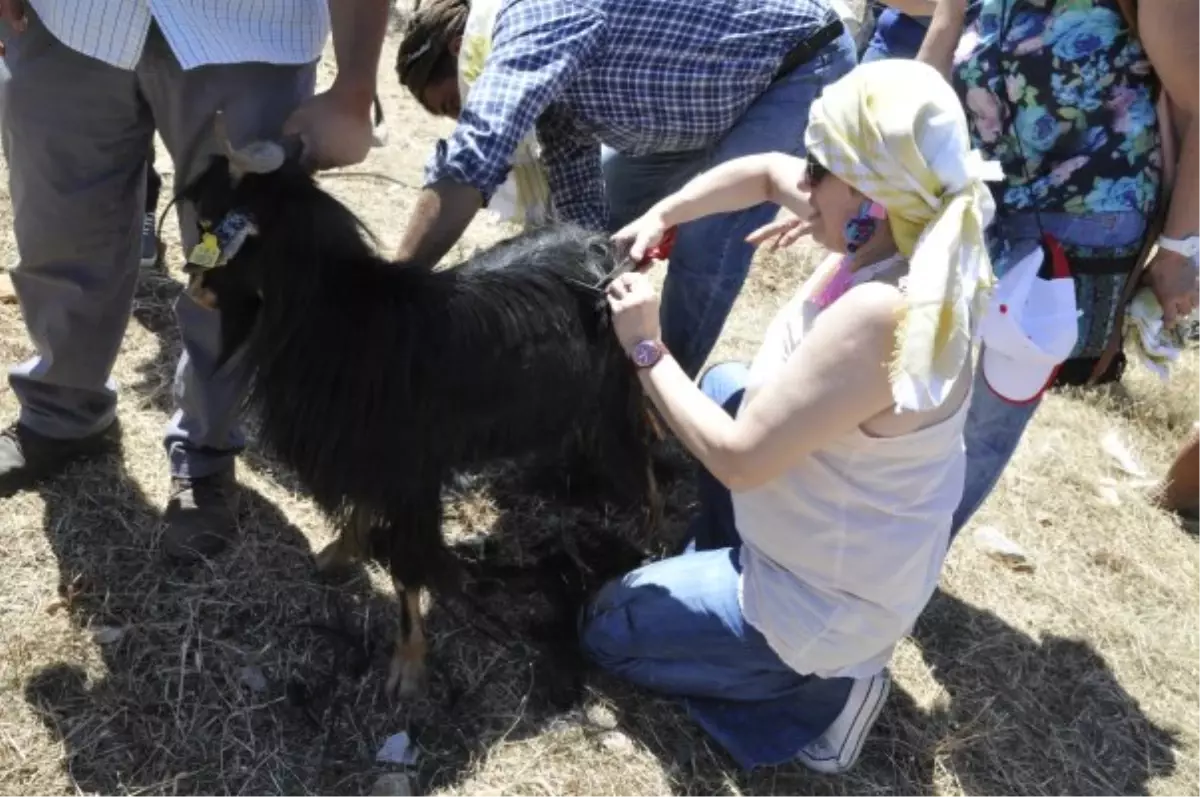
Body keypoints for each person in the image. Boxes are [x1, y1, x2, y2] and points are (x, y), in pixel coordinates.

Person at [580, 59, 1002, 774]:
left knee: (606, 628)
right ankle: (730, 578)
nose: (802, 185)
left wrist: (646, 348)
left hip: (817, 601)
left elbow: (741, 457)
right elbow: (766, 171)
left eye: (819, 172)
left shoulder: (883, 312)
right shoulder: (905, 228)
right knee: (725, 383)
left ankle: (815, 694)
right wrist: (664, 213)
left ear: (869, 187)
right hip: (822, 536)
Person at [0, 0, 391, 561]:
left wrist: (355, 85)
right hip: (68, 19)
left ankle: (206, 451)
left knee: (236, 266)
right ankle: (60, 412)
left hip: (249, 32)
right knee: (58, 230)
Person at [393, 0, 857, 378]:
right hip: (699, 111)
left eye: (454, 103)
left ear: (460, 48)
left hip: (793, 68)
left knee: (705, 243)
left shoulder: (533, 18)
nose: (463, 116)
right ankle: (591, 372)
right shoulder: (549, 87)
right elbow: (580, 206)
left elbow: (477, 152)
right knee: (603, 234)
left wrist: (392, 285)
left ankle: (656, 403)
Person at [918, 0, 1200, 536]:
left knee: (989, 412)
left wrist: (1178, 251)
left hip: (1084, 218)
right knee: (910, 367)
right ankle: (862, 534)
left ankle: (900, 569)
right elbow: (944, 29)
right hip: (963, 184)